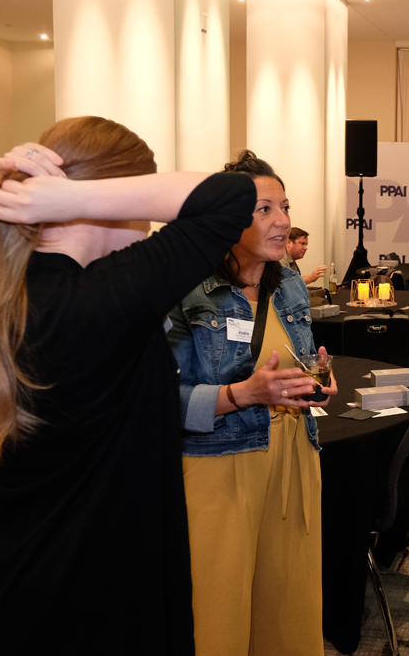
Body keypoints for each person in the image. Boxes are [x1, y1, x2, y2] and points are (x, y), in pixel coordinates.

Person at [0, 116, 257, 655]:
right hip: (87, 598)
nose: (147, 223)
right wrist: (77, 197)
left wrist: (69, 197)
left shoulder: (8, 292)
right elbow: (232, 197)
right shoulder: (95, 303)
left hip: (12, 584)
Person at [168, 151, 334, 656]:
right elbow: (157, 403)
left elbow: (296, 369)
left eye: (285, 207)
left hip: (294, 462)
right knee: (218, 613)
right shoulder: (187, 291)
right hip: (220, 471)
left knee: (287, 609)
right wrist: (245, 394)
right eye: (264, 209)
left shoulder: (291, 286)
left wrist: (316, 382)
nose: (282, 221)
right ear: (226, 219)